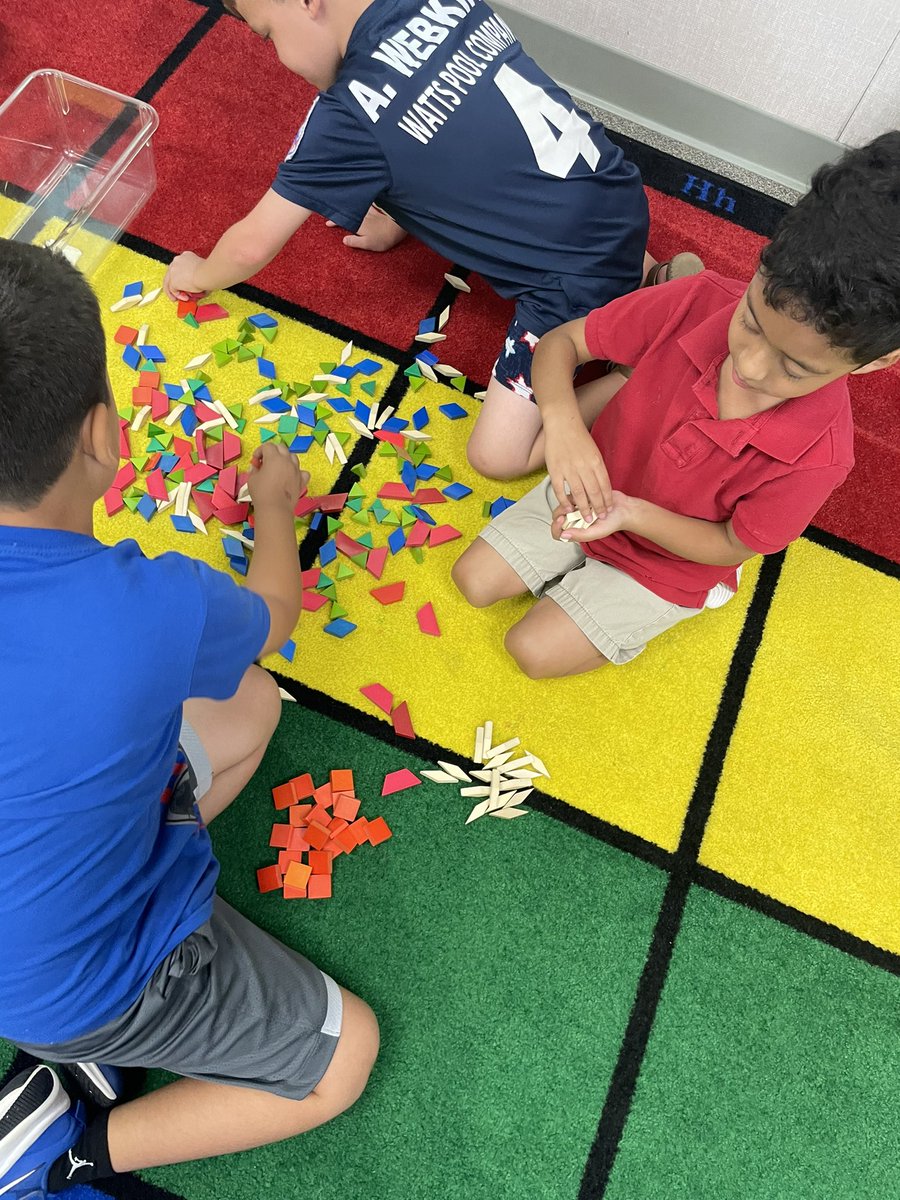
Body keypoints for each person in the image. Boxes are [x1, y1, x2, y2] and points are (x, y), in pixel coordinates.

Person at [0, 241, 378, 1199]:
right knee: (344, 1057)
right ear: (103, 437)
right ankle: (76, 1150)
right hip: (71, 985)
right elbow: (276, 619)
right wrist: (276, 506)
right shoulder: (148, 605)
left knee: (243, 713)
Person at [451, 133, 900, 678]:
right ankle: (632, 369)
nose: (751, 366)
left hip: (672, 558)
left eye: (795, 368)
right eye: (751, 322)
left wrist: (631, 513)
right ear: (760, 267)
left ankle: (689, 600)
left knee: (532, 652)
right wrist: (565, 429)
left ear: (876, 363)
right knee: (473, 583)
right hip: (589, 485)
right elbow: (560, 345)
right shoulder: (699, 299)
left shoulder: (819, 457)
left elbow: (731, 543)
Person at [162, 0, 668, 479]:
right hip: (619, 196)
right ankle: (651, 280)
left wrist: (197, 271)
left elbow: (252, 245)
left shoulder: (346, 115)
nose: (276, 54)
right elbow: (451, 134)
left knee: (497, 454)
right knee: (579, 238)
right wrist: (395, 218)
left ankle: (637, 369)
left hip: (568, 286)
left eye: (267, 33)